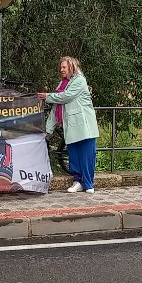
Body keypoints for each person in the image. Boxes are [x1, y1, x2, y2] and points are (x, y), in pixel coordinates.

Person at [38, 56, 99, 193]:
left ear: (72, 67)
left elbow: (66, 97)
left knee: (87, 155)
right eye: (61, 67)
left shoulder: (80, 80)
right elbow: (56, 106)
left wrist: (47, 96)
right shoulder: (62, 84)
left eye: (64, 67)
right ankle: (78, 182)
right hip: (71, 126)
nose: (61, 70)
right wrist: (49, 128)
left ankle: (89, 184)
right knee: (74, 156)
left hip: (84, 126)